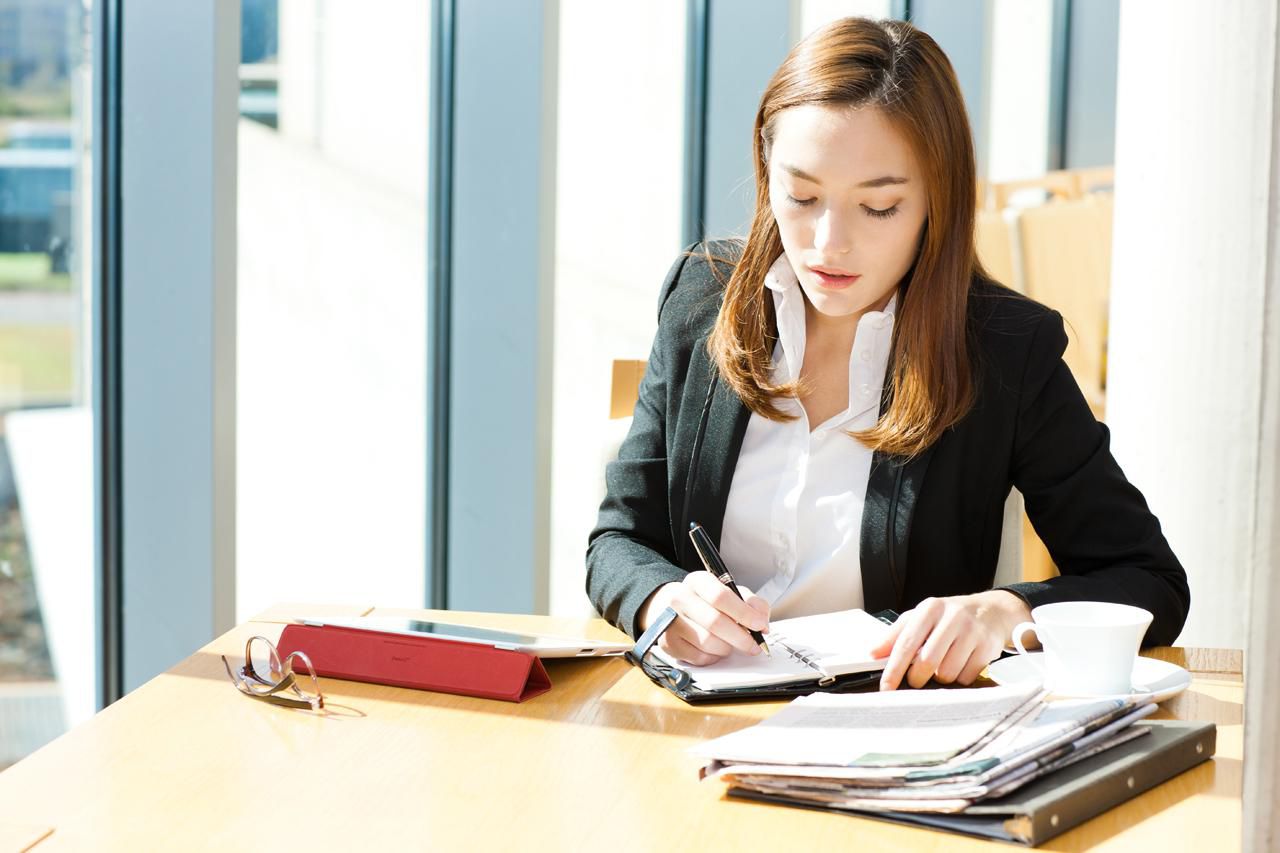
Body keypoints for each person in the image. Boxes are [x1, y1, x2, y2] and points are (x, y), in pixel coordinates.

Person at [584, 16, 1189, 691]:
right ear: (766, 169)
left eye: (879, 207)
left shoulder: (1006, 351)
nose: (828, 242)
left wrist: (1003, 611)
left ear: (938, 197)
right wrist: (662, 599)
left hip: (889, 734)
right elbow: (617, 540)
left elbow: (1148, 577)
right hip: (694, 722)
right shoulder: (702, 298)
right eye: (802, 195)